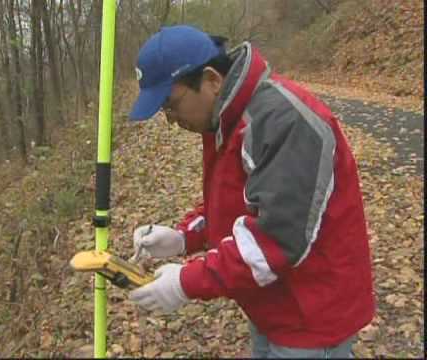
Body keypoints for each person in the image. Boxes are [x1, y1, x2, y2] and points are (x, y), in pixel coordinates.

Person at [127, 25, 375, 358]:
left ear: (212, 80)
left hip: (312, 317)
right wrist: (184, 236)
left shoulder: (283, 122)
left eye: (171, 104)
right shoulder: (226, 117)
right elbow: (241, 202)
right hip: (275, 304)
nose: (171, 120)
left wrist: (186, 282)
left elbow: (276, 239)